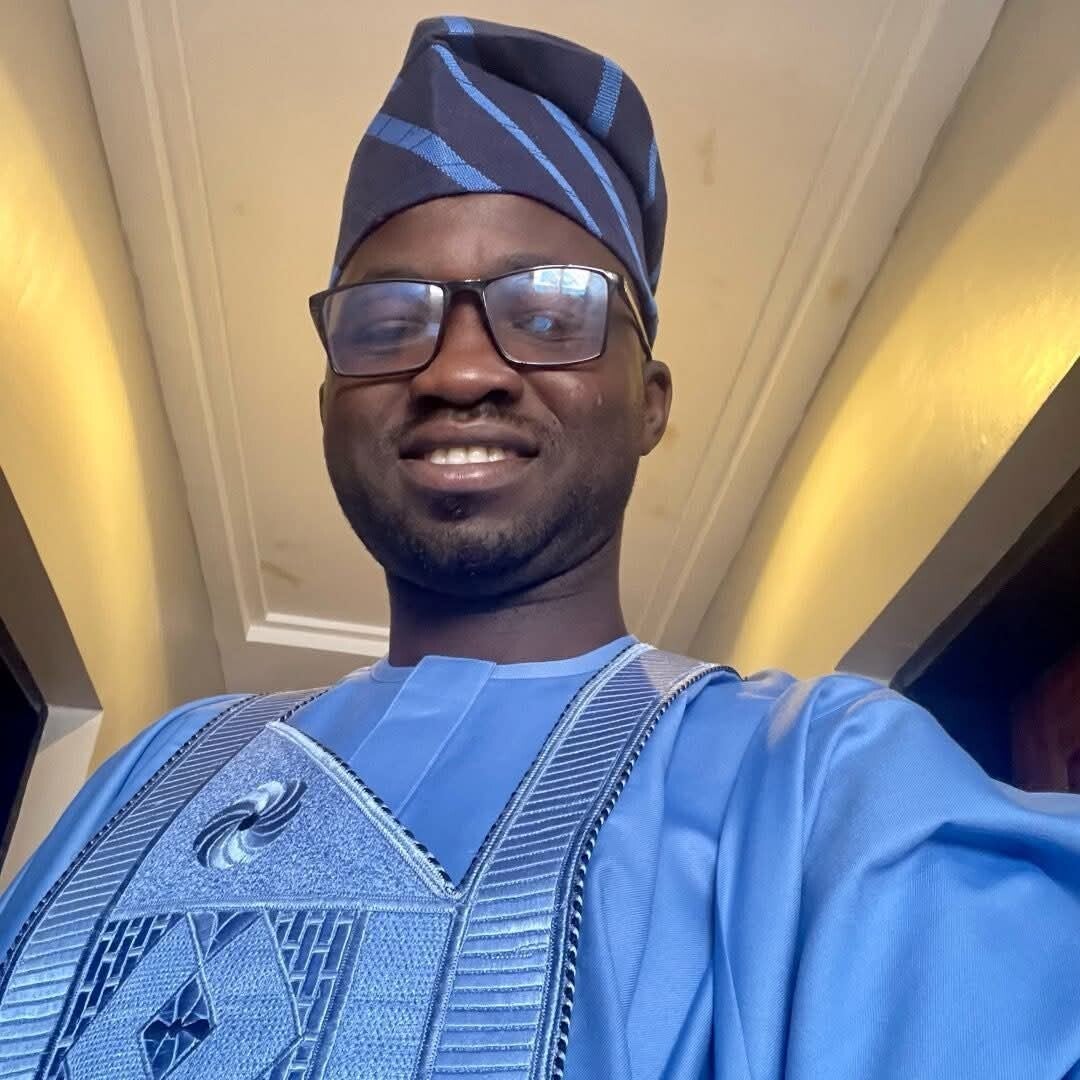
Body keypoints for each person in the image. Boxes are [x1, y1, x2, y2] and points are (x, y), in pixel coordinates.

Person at [1, 16, 1078, 1080]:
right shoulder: (163, 765)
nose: (459, 371)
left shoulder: (819, 784)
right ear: (328, 400)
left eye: (552, 315)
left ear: (650, 401)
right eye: (388, 324)